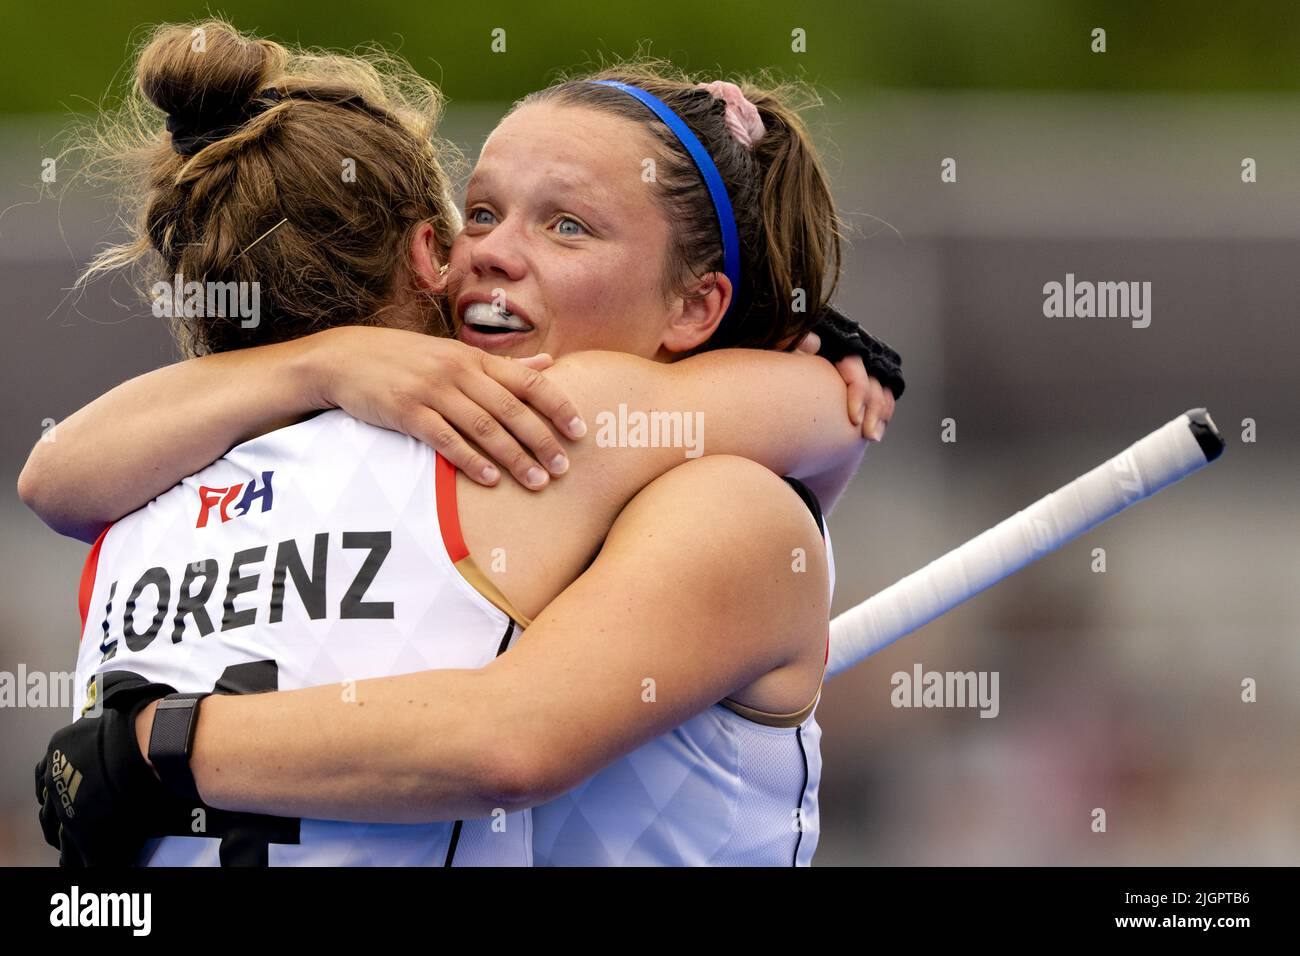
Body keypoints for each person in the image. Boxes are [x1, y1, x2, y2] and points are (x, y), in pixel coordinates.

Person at [29, 20, 901, 866]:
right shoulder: (447, 442)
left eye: (568, 226)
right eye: (480, 213)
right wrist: (327, 361)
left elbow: (512, 739)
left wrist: (152, 748)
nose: (491, 255)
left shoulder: (674, 474)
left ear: (694, 306)